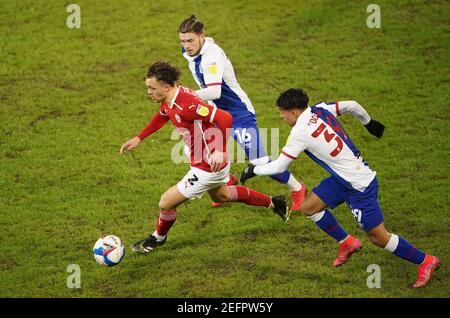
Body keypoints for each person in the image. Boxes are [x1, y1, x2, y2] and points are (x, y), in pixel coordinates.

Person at [240, 88, 440, 288]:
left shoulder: (300, 133)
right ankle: (347, 242)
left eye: (282, 111)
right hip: (343, 178)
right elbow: (352, 105)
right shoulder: (320, 109)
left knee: (378, 237)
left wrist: (253, 169)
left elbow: (279, 166)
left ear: (294, 111)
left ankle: (426, 261)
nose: (281, 116)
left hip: (359, 185)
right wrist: (369, 123)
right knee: (309, 207)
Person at [119, 61, 290, 253]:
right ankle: (275, 202)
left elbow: (224, 118)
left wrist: (221, 150)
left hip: (208, 166)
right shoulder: (170, 99)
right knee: (223, 195)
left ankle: (158, 238)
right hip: (205, 160)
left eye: (152, 88)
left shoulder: (188, 104)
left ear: (166, 86)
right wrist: (139, 137)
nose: (149, 92)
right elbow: (163, 114)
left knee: (165, 203)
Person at [178, 15, 307, 210]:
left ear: (202, 36)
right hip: (214, 111)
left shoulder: (212, 56)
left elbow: (215, 91)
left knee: (259, 160)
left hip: (238, 113)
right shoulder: (189, 51)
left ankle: (297, 188)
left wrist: (184, 96)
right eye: (182, 41)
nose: (186, 46)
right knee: (193, 148)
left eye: (190, 40)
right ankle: (226, 180)